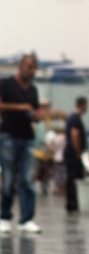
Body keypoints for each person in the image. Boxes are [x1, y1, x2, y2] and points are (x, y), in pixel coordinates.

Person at [0, 54, 47, 233]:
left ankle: (26, 219)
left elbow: (33, 113)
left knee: (27, 180)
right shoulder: (6, 84)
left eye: (34, 67)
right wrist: (19, 107)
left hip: (27, 138)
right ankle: (4, 217)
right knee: (9, 179)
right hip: (8, 136)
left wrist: (37, 115)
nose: (32, 71)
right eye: (29, 67)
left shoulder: (33, 90)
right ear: (20, 66)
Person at [64, 96, 88, 213]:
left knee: (72, 178)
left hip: (71, 153)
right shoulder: (75, 118)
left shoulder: (73, 117)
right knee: (74, 178)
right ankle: (72, 203)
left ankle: (72, 203)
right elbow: (75, 135)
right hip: (73, 154)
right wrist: (78, 152)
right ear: (83, 105)